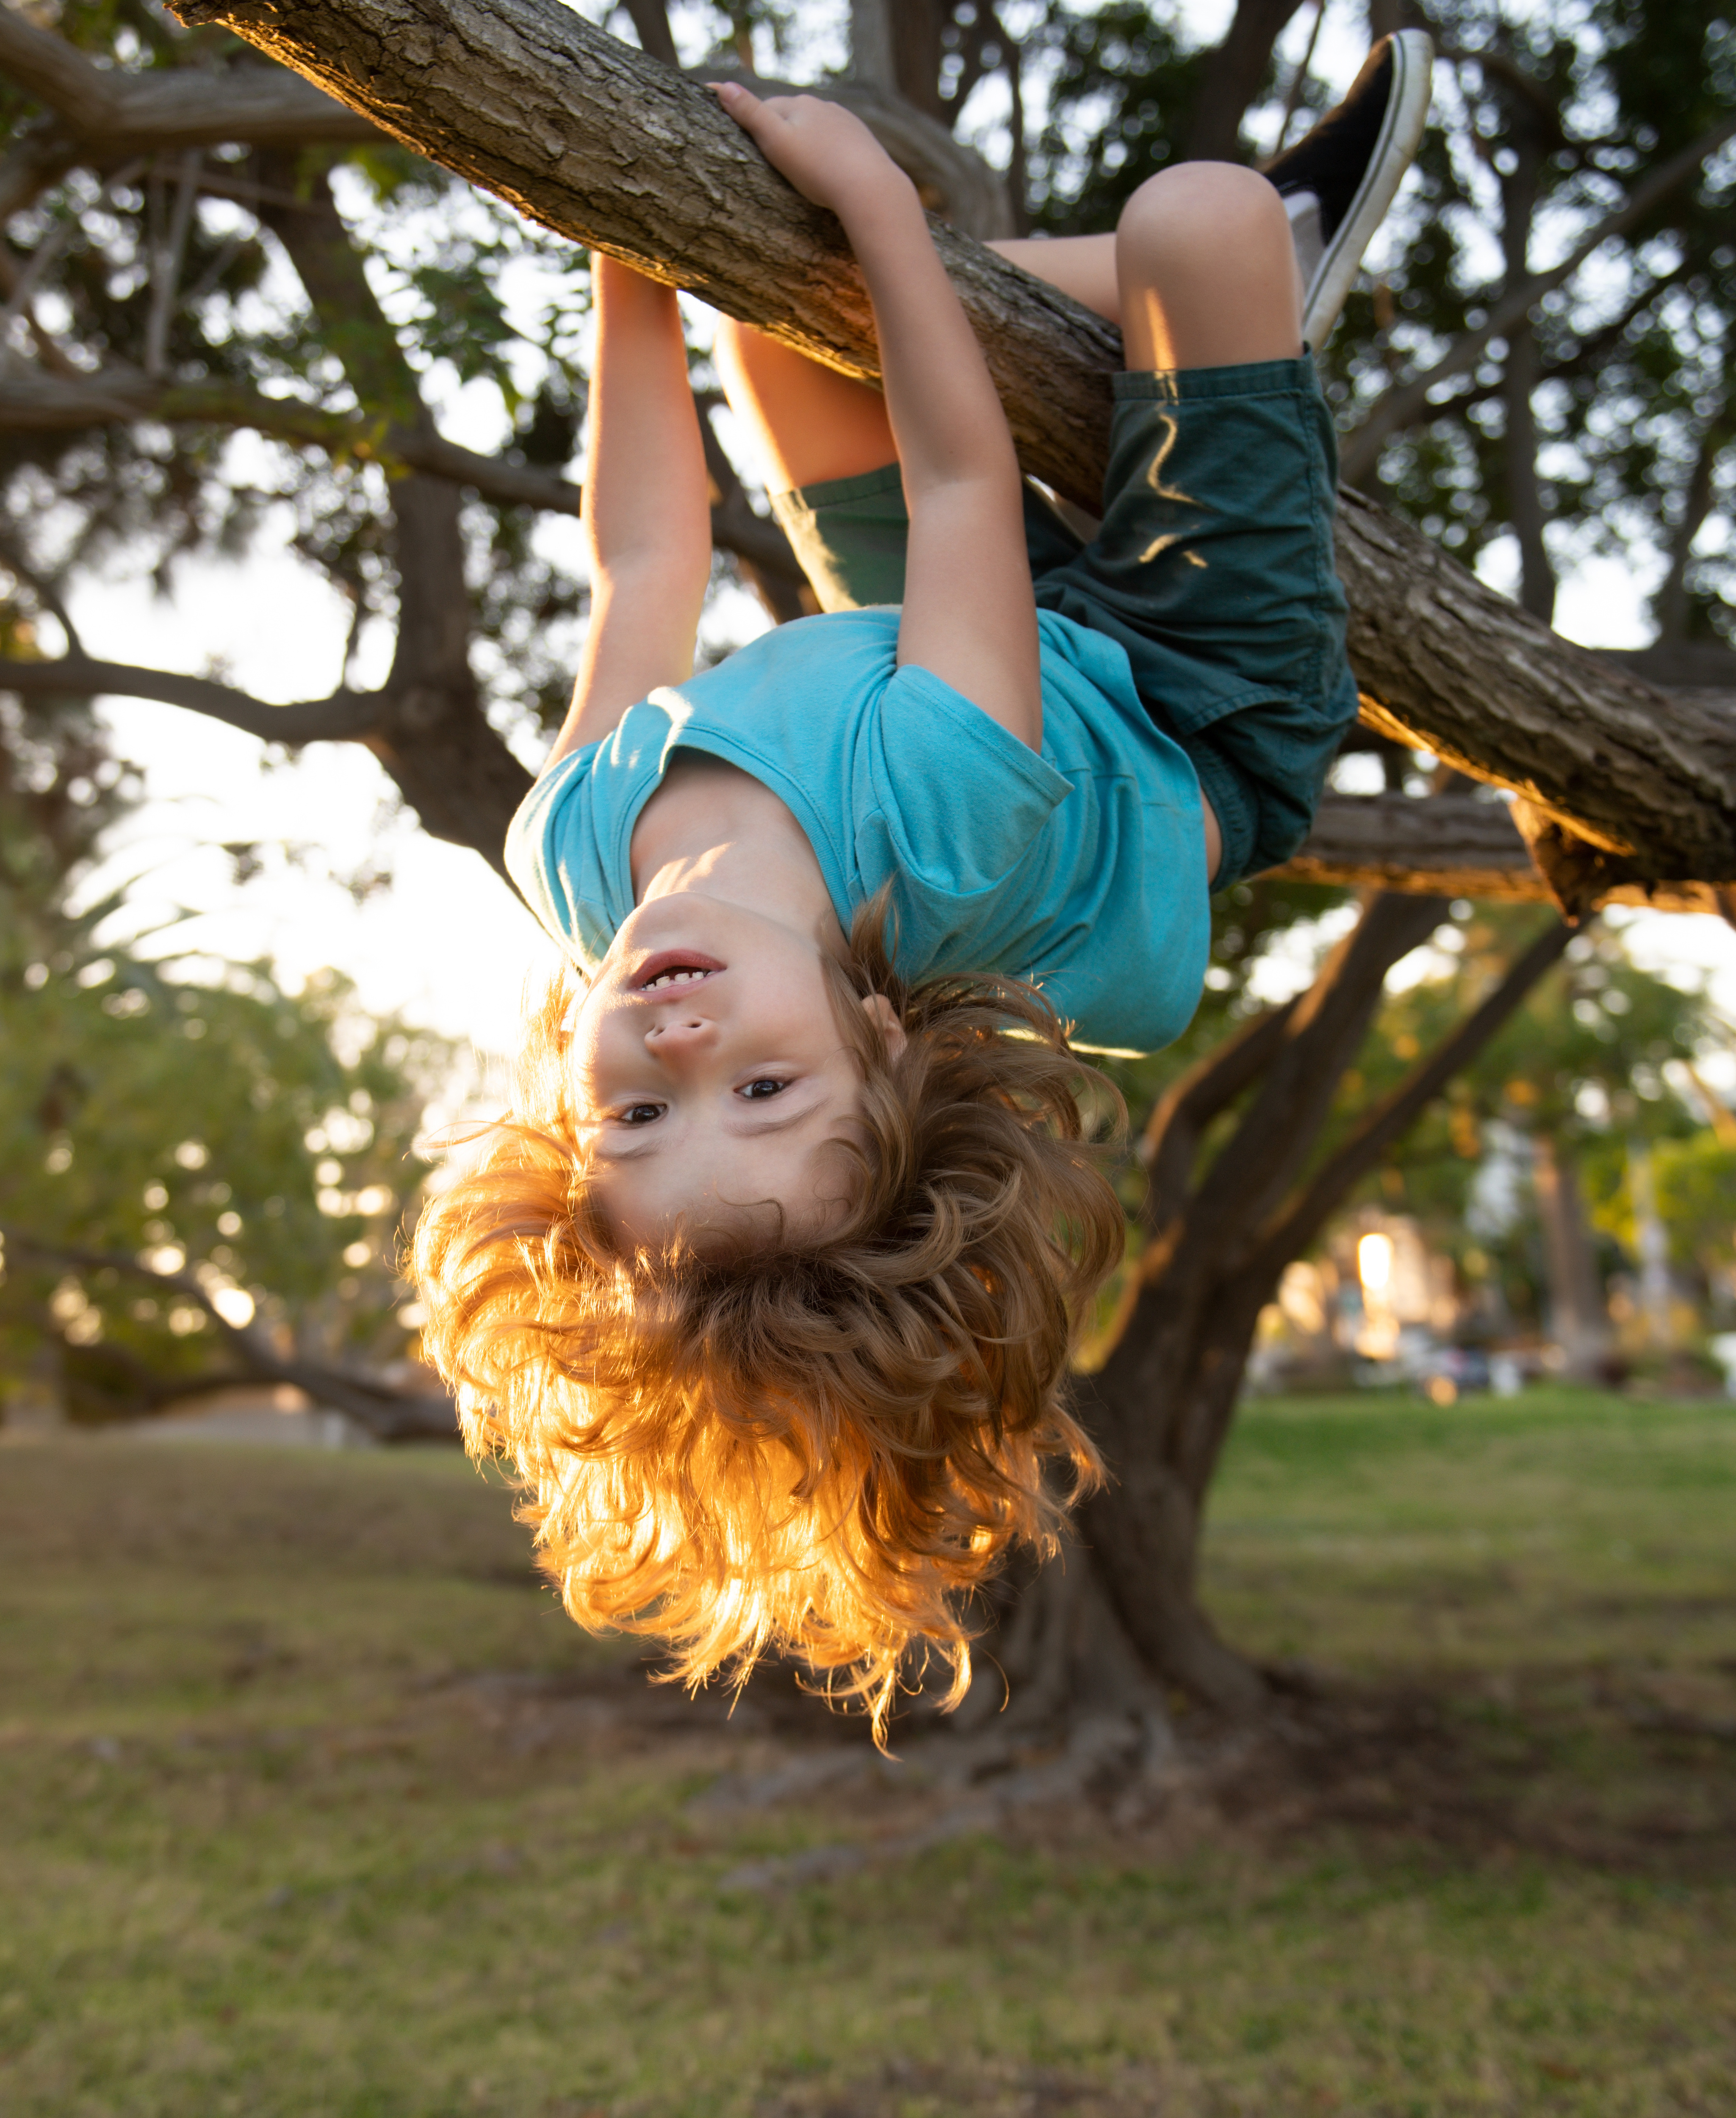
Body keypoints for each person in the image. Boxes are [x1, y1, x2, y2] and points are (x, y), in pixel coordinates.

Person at [411, 37, 1435, 1732]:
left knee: (772, 309)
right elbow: (964, 480)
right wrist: (887, 202)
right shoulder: (938, 826)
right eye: (762, 1086)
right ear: (885, 1043)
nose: (675, 1047)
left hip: (952, 645)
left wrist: (623, 251)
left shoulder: (575, 852)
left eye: (641, 1123)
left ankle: (1155, 359)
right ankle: (1226, 305)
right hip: (1189, 698)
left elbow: (646, 556)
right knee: (1202, 217)